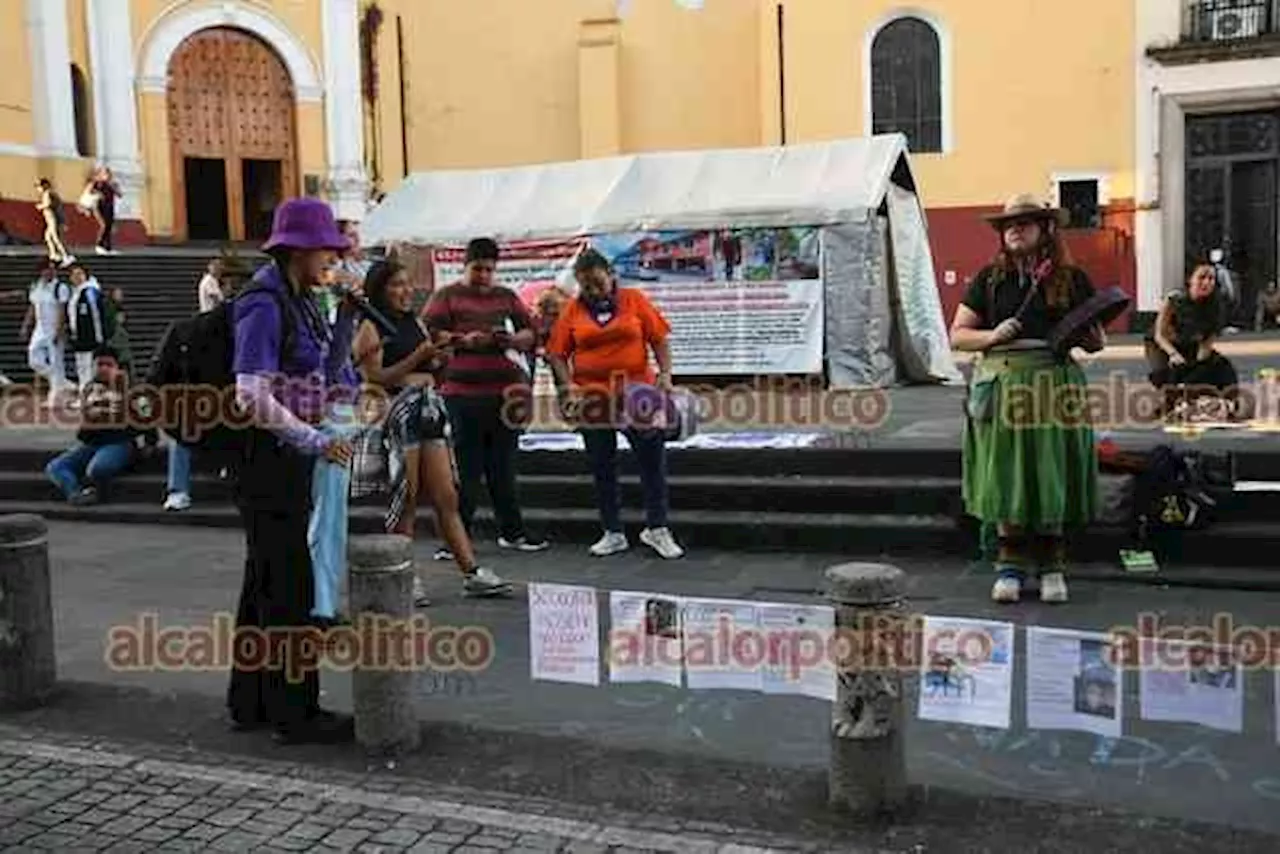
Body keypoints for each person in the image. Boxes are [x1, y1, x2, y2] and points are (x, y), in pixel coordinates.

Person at [226, 197, 358, 745]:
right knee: (288, 586)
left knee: (263, 583)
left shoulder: (303, 299)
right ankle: (295, 711)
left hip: (288, 458)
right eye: (326, 248)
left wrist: (347, 322)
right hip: (268, 461)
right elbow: (249, 392)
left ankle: (250, 700)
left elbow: (322, 375)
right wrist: (314, 441)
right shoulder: (263, 302)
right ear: (299, 250)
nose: (332, 257)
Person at [950, 194, 1104, 605]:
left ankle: (1052, 565)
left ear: (1046, 229)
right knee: (1006, 473)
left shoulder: (1072, 279)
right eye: (1008, 225)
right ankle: (1011, 567)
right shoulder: (988, 279)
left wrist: (1092, 335)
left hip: (1055, 384)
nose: (1014, 229)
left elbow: (1095, 343)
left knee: (1049, 470)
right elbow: (958, 335)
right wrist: (992, 336)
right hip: (1004, 384)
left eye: (1025, 222)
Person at [352, 260, 512, 604]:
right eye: (397, 285)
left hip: (428, 407)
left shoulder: (414, 323)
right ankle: (406, 575)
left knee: (446, 495)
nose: (406, 291)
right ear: (380, 289)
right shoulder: (369, 326)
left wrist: (440, 358)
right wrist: (417, 358)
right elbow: (374, 378)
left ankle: (471, 571)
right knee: (406, 497)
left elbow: (431, 365)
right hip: (398, 410)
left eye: (408, 284)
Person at [545, 249, 685, 559]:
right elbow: (557, 352)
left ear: (610, 274)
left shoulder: (634, 299)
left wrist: (665, 374)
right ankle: (613, 531)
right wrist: (568, 386)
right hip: (593, 398)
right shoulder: (572, 310)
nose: (592, 291)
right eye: (585, 286)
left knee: (652, 461)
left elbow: (658, 338)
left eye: (597, 283)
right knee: (602, 465)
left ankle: (657, 528)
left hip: (638, 394)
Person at [423, 238, 547, 552]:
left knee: (503, 465)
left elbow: (530, 332)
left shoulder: (506, 297)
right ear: (465, 266)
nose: (483, 276)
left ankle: (513, 531)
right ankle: (456, 538)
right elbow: (427, 333)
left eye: (490, 270)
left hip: (504, 393)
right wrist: (464, 340)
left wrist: (510, 339)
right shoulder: (446, 296)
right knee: (467, 467)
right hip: (461, 393)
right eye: (478, 269)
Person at [44, 347, 150, 505]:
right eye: (99, 364)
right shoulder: (89, 389)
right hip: (92, 443)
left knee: (97, 469)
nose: (103, 368)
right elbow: (84, 425)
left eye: (108, 364)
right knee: (56, 467)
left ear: (118, 367)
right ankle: (75, 492)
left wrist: (148, 442)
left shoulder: (134, 389)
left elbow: (148, 419)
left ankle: (92, 488)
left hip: (119, 443)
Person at [1146, 264, 1238, 420]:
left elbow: (1206, 345)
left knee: (1221, 366)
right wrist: (1173, 354)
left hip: (1190, 343)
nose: (1207, 282)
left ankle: (1228, 403)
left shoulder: (1216, 305)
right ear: (1190, 280)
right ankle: (1169, 402)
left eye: (1211, 278)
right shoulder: (1174, 299)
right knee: (1171, 371)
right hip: (1162, 345)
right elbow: (1159, 335)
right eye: (1202, 277)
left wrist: (1196, 371)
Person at [20, 261, 70, 407]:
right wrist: (25, 326)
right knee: (34, 359)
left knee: (56, 361)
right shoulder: (36, 286)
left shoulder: (60, 287)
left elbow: (62, 310)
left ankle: (55, 397)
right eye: (47, 270)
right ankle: (61, 381)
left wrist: (59, 331)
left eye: (53, 270)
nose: (50, 272)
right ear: (41, 271)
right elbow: (32, 307)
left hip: (54, 327)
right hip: (40, 328)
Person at [65, 265, 110, 393]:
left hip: (89, 335)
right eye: (74, 275)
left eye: (80, 274)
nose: (77, 277)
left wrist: (98, 335)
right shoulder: (76, 293)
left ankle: (88, 393)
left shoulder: (90, 291)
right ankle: (84, 393)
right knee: (81, 366)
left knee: (88, 366)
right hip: (78, 335)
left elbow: (96, 314)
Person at [84, 166, 122, 255]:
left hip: (109, 207)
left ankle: (108, 248)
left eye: (109, 174)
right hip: (98, 207)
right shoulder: (96, 183)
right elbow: (89, 191)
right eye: (106, 174)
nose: (108, 176)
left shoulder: (113, 184)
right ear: (101, 174)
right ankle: (99, 245)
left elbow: (120, 195)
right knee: (104, 225)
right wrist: (98, 193)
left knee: (109, 227)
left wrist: (115, 188)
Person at [35, 178, 73, 267]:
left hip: (53, 220)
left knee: (57, 238)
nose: (38, 189)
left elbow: (49, 204)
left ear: (45, 185)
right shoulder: (49, 193)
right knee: (48, 237)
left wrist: (40, 206)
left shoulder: (48, 193)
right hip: (50, 220)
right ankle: (54, 255)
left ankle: (67, 256)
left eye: (39, 186)